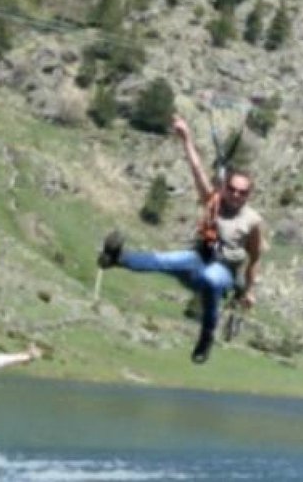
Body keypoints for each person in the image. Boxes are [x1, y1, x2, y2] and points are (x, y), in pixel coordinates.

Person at [98, 114, 265, 364]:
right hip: (198, 258)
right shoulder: (213, 200)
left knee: (211, 279)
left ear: (248, 195)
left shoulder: (253, 221)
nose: (236, 195)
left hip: (223, 272)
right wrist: (186, 138)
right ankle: (115, 259)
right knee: (163, 260)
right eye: (232, 189)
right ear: (225, 188)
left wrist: (249, 292)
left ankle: (206, 337)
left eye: (242, 192)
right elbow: (196, 169)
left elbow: (254, 260)